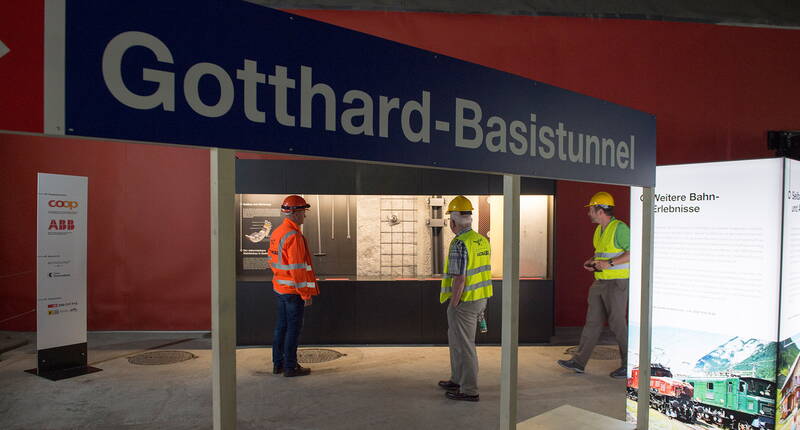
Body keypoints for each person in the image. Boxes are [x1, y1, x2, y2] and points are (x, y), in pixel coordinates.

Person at [557, 191, 630, 379]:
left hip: (617, 283)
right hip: (600, 281)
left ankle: (629, 365)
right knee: (592, 323)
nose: (588, 213)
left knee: (617, 324)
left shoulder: (620, 228)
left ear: (600, 210)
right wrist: (592, 262)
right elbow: (602, 255)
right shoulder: (599, 230)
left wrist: (610, 264)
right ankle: (578, 362)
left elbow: (634, 251)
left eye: (591, 209)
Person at [437, 195, 493, 401]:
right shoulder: (481, 240)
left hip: (464, 302)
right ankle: (457, 379)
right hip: (480, 299)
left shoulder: (459, 243)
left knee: (465, 345)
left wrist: (454, 303)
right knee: (458, 342)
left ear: (452, 222)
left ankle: (469, 390)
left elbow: (459, 278)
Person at [268, 195, 319, 377]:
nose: (305, 216)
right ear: (296, 213)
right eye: (303, 212)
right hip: (293, 292)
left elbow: (273, 262)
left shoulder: (278, 232)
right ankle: (290, 367)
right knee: (293, 329)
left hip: (280, 289)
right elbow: (297, 269)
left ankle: (278, 364)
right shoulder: (294, 236)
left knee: (281, 327)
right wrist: (305, 294)